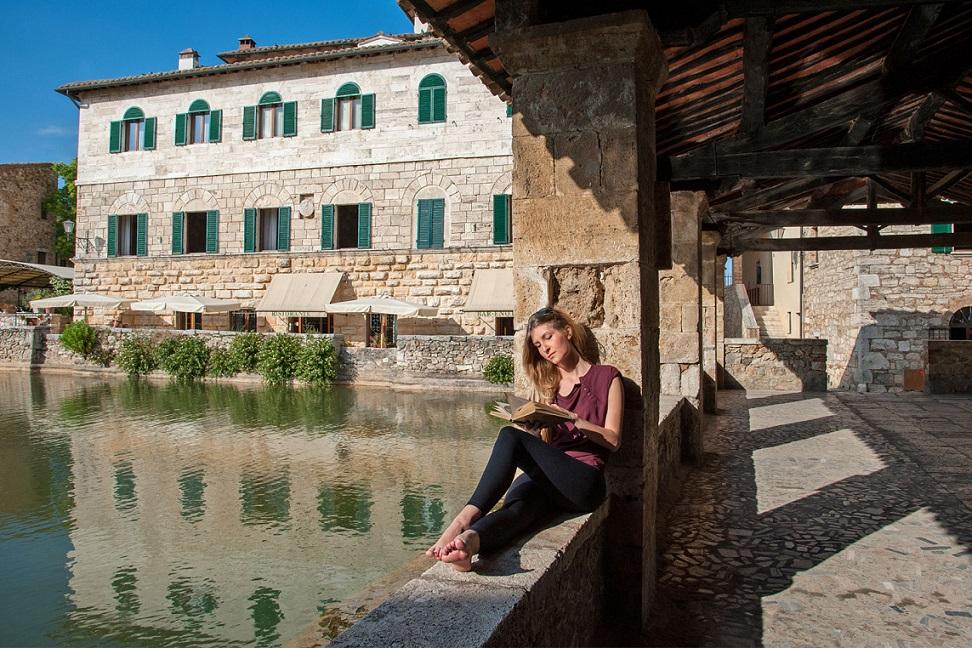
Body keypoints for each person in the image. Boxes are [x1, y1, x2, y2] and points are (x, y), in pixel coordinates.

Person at [427, 306, 624, 571]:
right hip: (552, 476)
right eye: (538, 344)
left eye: (548, 337)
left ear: (567, 331)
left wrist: (573, 418)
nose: (544, 348)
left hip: (585, 480)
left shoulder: (607, 376)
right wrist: (533, 429)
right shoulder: (550, 386)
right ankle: (468, 544)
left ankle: (461, 521)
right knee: (518, 509)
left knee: (510, 437)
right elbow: (548, 447)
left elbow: (613, 439)